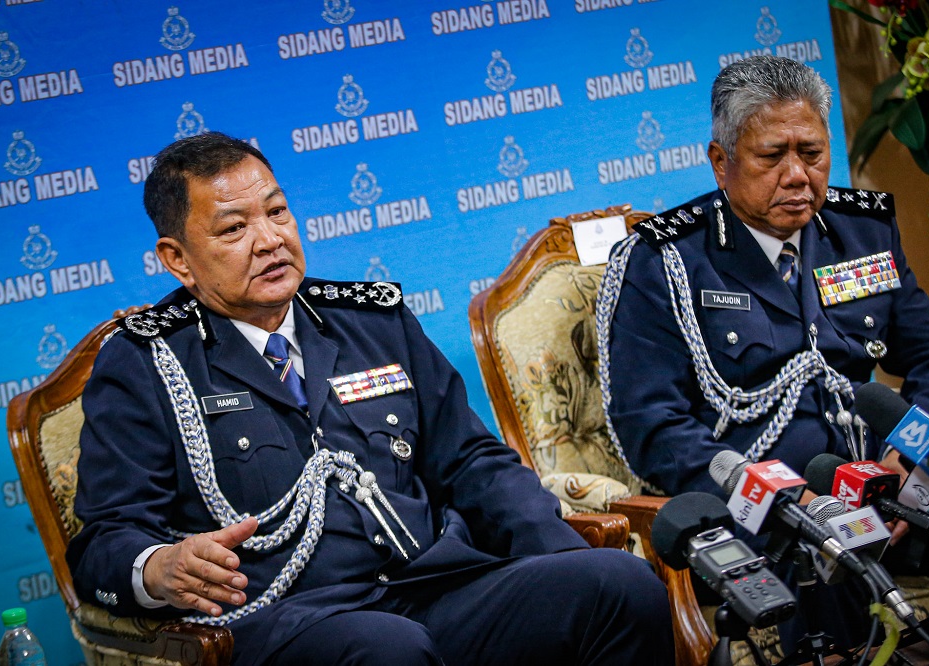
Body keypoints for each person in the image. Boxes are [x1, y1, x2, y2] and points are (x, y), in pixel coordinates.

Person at [67, 132, 674, 666]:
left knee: (619, 583)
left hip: (434, 584)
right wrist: (158, 568)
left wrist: (562, 557)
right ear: (178, 260)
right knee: (388, 648)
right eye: (234, 228)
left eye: (277, 212)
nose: (269, 239)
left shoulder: (371, 321)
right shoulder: (146, 362)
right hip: (294, 622)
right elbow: (105, 540)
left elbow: (472, 462)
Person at [597, 55, 929, 649]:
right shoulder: (665, 263)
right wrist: (786, 497)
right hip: (766, 514)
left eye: (811, 154)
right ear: (721, 162)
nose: (797, 175)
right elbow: (652, 427)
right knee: (824, 563)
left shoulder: (861, 231)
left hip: (879, 488)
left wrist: (908, 457)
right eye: (772, 156)